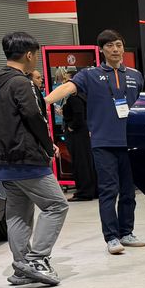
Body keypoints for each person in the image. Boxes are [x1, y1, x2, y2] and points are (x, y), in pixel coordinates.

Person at [45, 29, 145, 255]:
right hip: (103, 143)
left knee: (129, 192)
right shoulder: (89, 75)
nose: (115, 49)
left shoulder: (135, 75)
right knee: (108, 190)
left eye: (118, 45)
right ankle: (112, 237)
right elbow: (68, 87)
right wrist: (45, 101)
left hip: (130, 143)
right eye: (110, 46)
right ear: (102, 50)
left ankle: (126, 232)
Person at [0, 32, 68, 286]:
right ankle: (37, 259)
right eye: (36, 56)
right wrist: (48, 145)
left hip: (2, 160)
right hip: (26, 157)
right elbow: (34, 116)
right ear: (29, 55)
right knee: (56, 205)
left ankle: (22, 267)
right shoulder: (22, 82)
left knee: (18, 213)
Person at [58, 69, 97, 201]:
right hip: (84, 133)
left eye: (67, 80)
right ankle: (91, 189)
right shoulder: (83, 96)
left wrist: (71, 127)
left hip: (77, 134)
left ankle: (84, 191)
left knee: (80, 162)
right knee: (87, 161)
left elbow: (78, 116)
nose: (64, 83)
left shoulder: (74, 98)